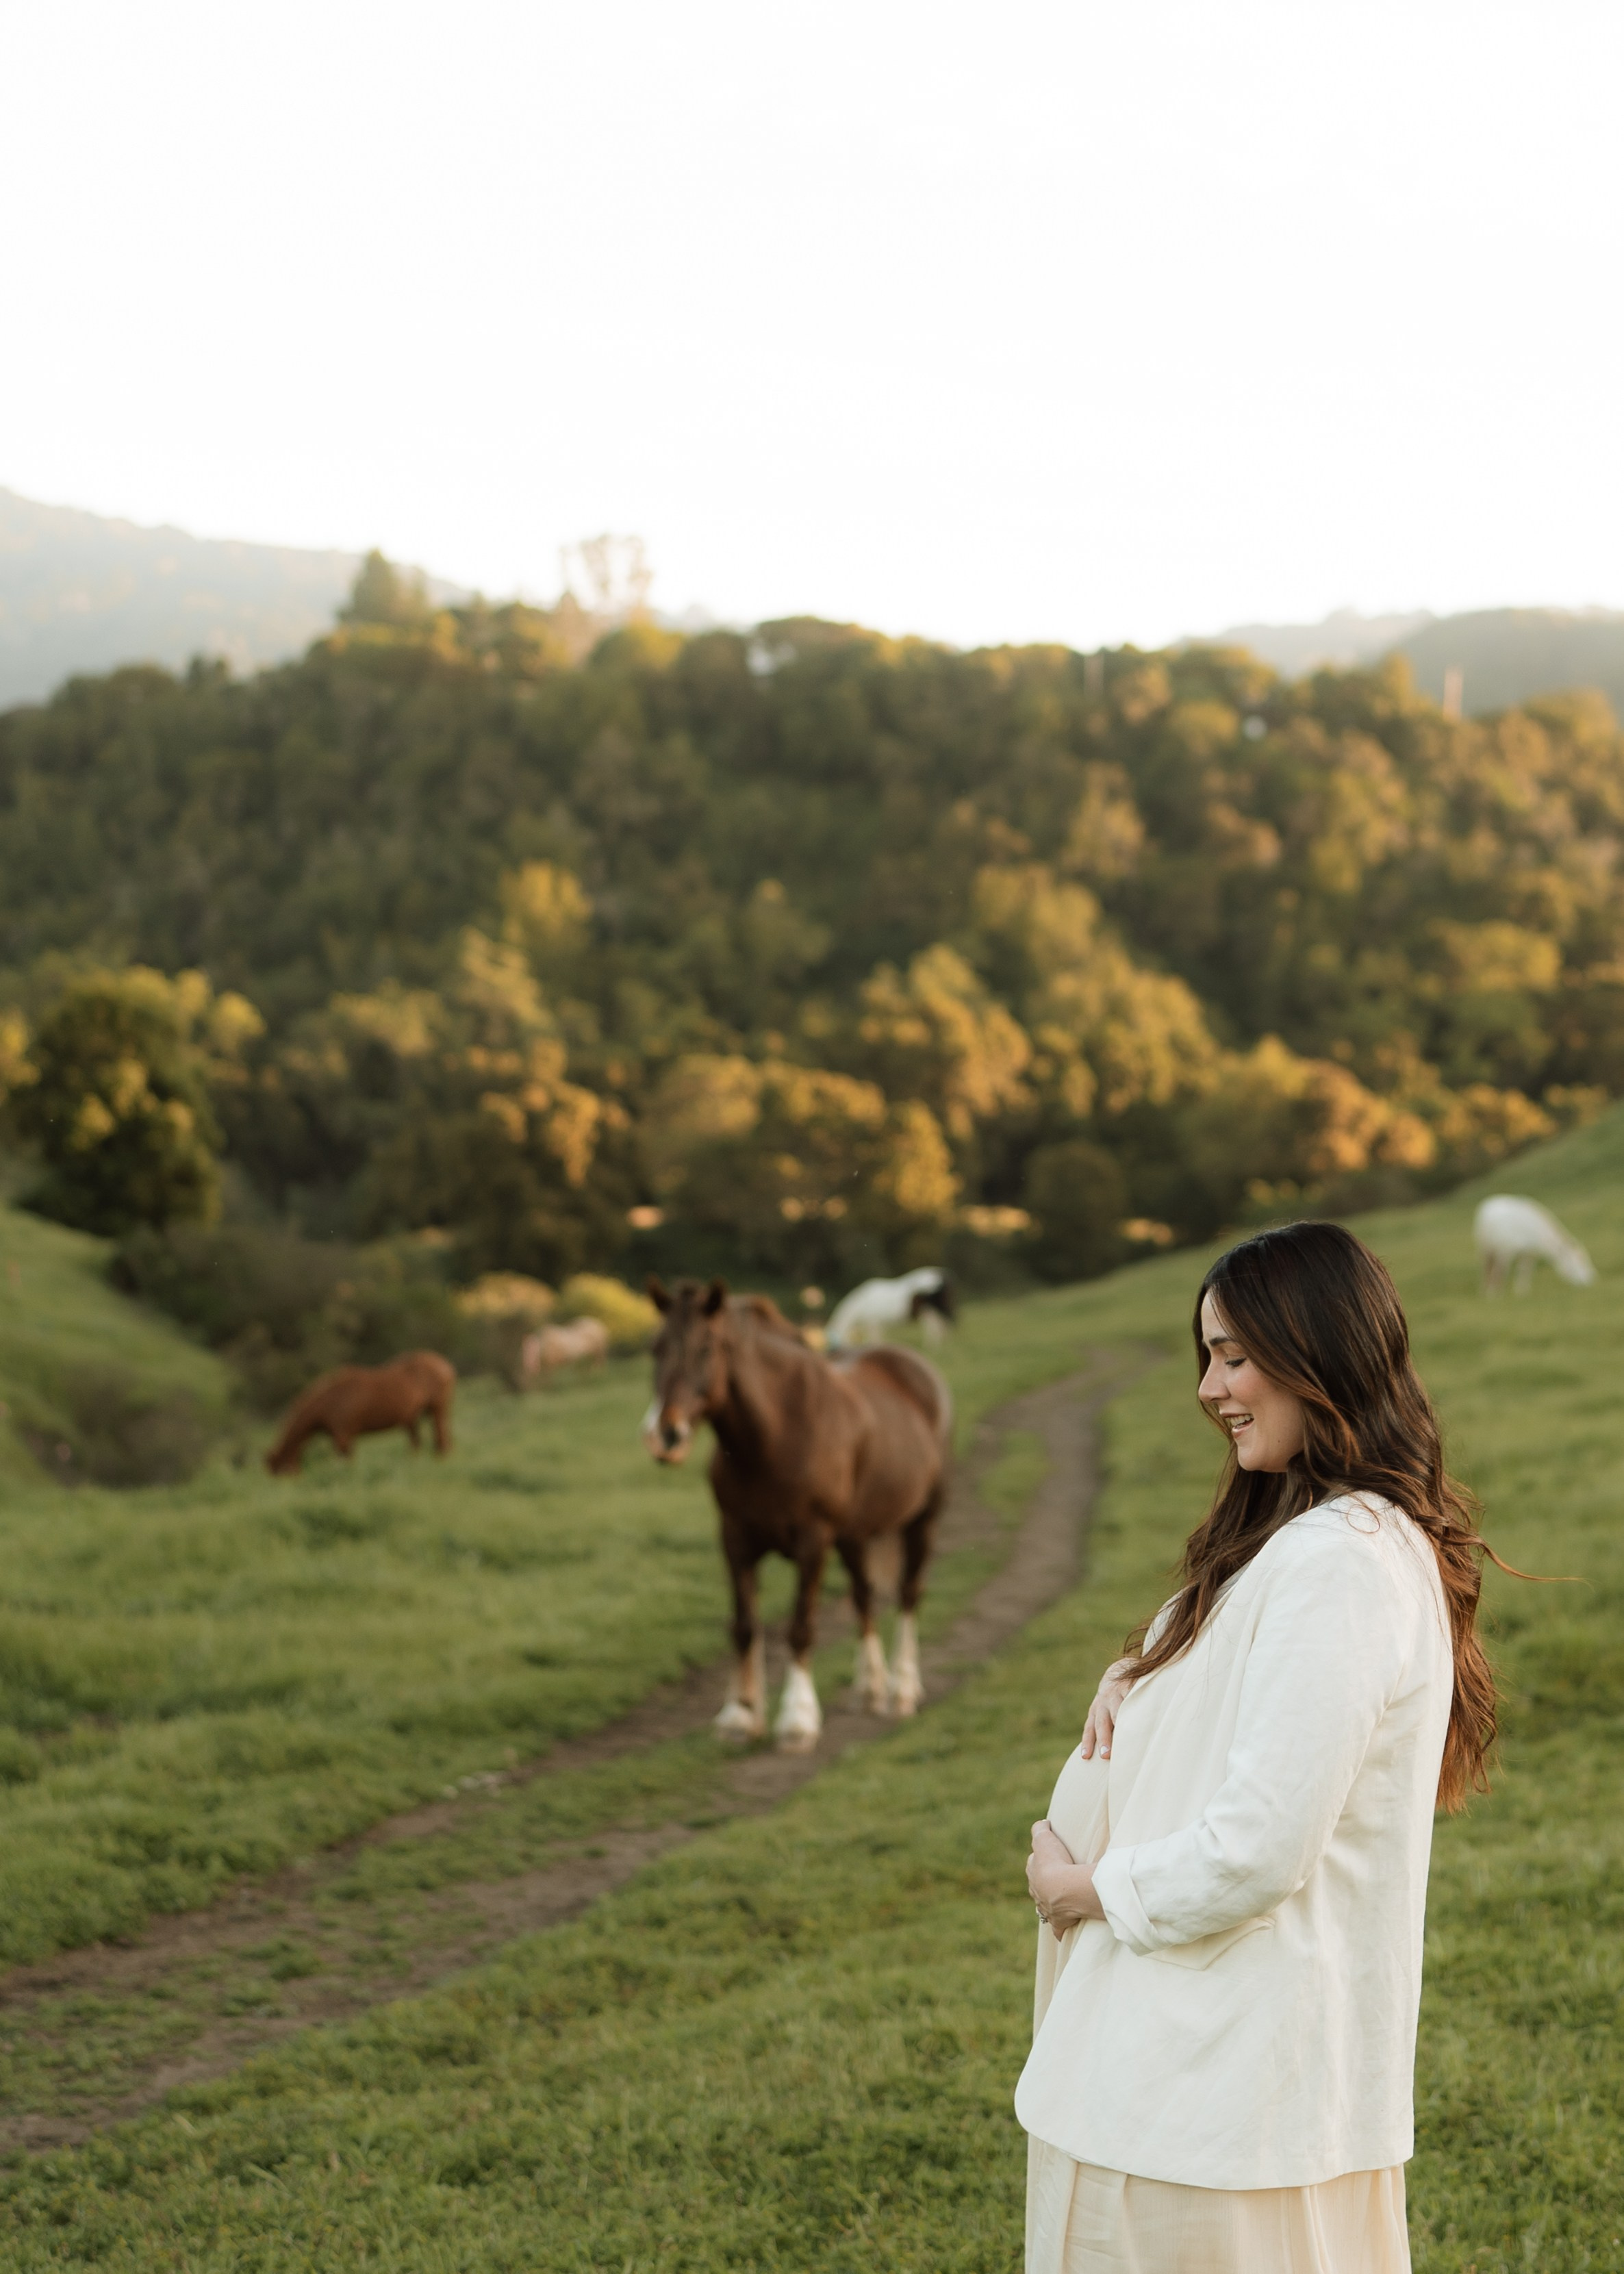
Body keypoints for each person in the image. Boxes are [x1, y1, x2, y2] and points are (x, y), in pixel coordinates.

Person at [1017, 1221, 1502, 2274]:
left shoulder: (1342, 1561)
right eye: (1208, 1356)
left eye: (1234, 1356)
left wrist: (1081, 1889)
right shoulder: (1315, 1540)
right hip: (1187, 2079)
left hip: (1206, 2100)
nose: (1210, 1388)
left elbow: (1259, 1845)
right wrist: (1145, 1671)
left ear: (1316, 1351)